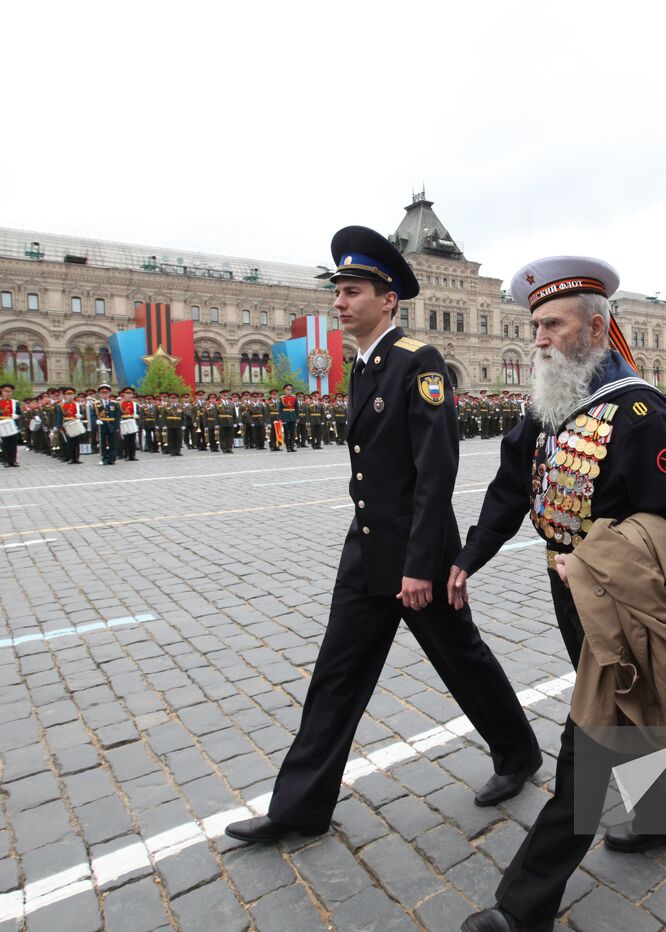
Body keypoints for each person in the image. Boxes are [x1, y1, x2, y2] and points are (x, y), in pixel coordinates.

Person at [226, 225, 540, 845]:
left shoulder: (417, 362)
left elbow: (435, 471)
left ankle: (519, 752)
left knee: (462, 660)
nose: (339, 301)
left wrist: (420, 564)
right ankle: (300, 807)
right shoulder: (365, 366)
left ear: (388, 299)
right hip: (367, 550)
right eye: (338, 290)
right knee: (335, 676)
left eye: (352, 291)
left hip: (417, 556)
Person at [454, 257, 666, 932]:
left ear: (595, 329)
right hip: (565, 592)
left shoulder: (637, 410)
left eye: (553, 325)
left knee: (588, 738)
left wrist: (597, 561)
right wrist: (467, 560)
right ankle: (664, 815)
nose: (537, 338)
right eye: (534, 325)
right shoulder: (549, 403)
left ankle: (521, 905)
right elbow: (511, 489)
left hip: (619, 598)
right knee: (631, 710)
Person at [0, 383, 22, 467]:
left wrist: (17, 416)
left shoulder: (15, 402)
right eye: (6, 391)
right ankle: (6, 461)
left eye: (9, 392)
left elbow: (20, 414)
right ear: (2, 392)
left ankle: (13, 461)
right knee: (4, 443)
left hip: (12, 424)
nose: (8, 393)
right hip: (2, 425)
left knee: (13, 443)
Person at [277, 383, 298, 452]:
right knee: (286, 433)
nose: (289, 391)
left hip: (293, 416)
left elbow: (296, 408)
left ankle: (292, 447)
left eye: (290, 389)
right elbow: (280, 409)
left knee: (292, 433)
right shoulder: (282, 398)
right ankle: (288, 447)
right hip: (285, 416)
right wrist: (280, 418)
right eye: (288, 389)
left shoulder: (294, 397)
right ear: (285, 390)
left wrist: (297, 417)